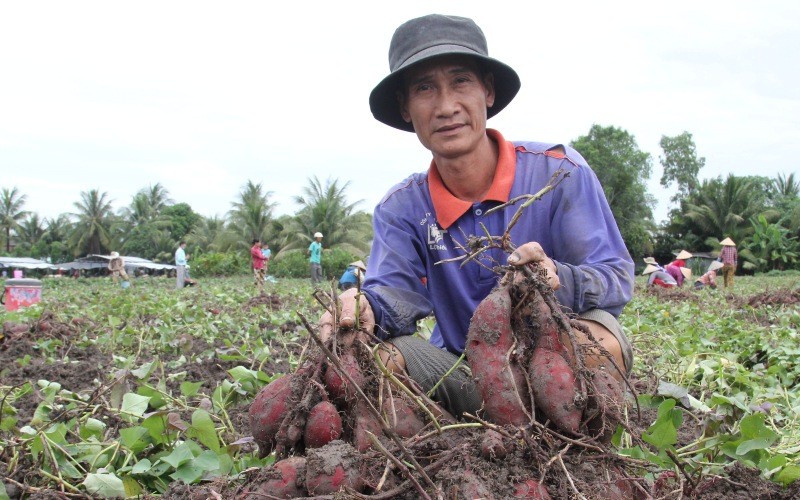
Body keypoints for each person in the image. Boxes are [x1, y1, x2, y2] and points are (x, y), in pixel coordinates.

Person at [319, 14, 634, 420]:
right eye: (424, 88)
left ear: (487, 90)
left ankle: (580, 449)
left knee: (600, 347)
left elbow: (616, 277)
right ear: (405, 107)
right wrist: (366, 309)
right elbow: (394, 296)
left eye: (461, 81)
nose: (447, 106)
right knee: (373, 361)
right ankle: (457, 447)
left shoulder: (558, 174)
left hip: (556, 363)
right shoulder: (402, 208)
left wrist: (559, 278)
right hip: (462, 374)